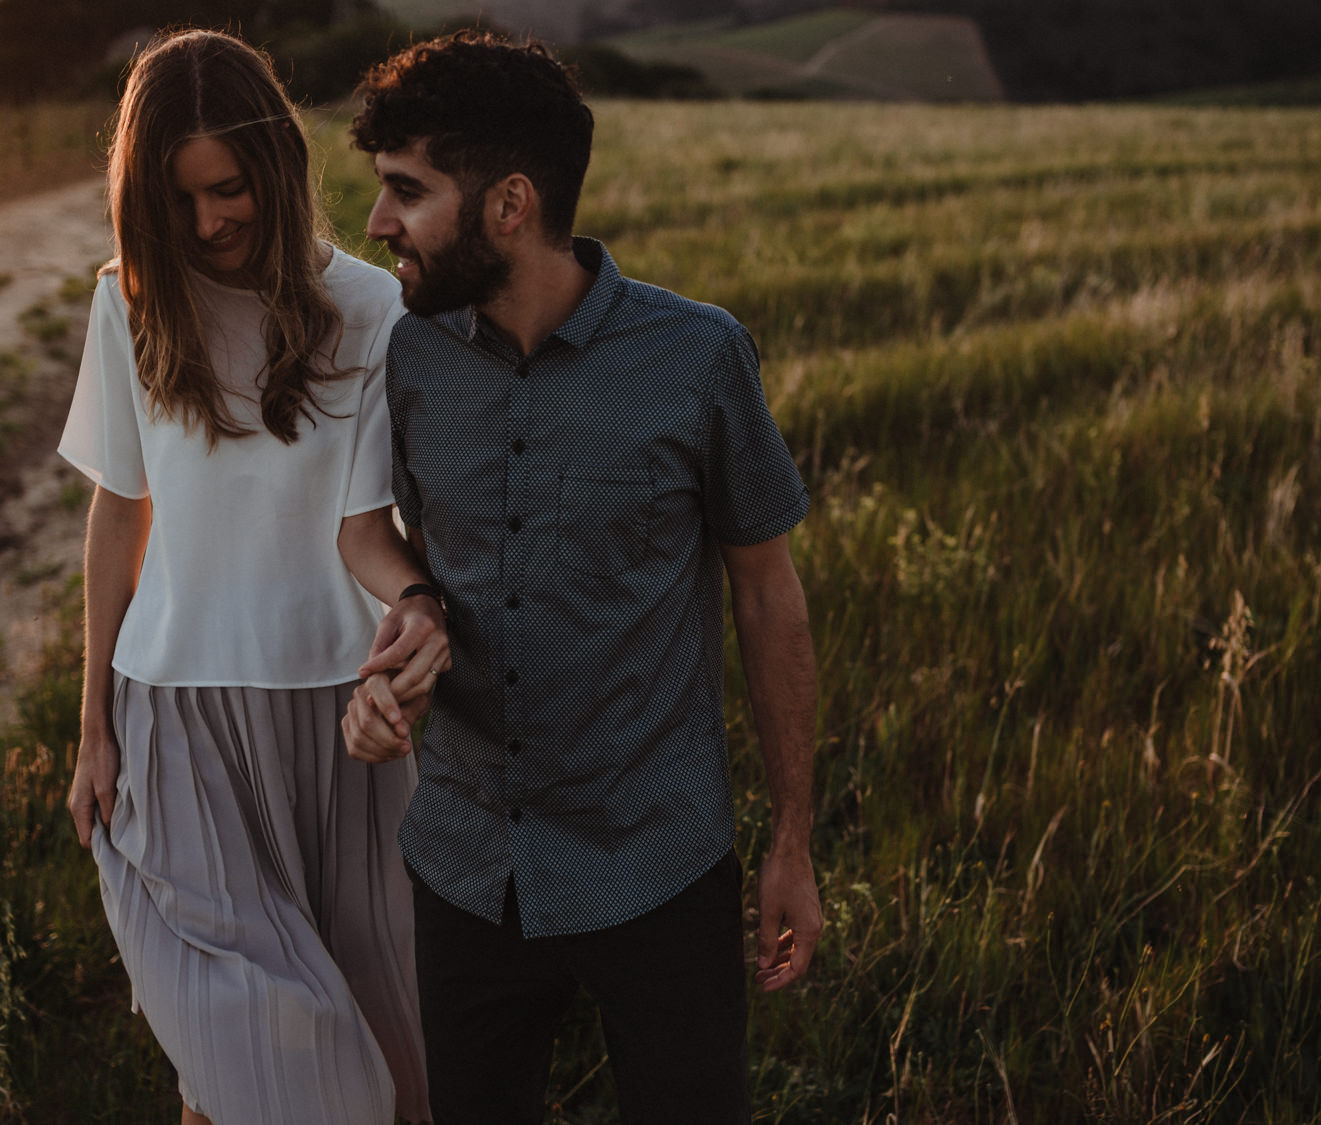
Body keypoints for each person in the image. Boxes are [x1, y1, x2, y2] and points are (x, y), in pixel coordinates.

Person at [341, 30, 822, 1124]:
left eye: (405, 193)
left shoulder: (698, 358)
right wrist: (409, 621)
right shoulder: (406, 356)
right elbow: (373, 534)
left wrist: (791, 843)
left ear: (509, 204)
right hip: (465, 863)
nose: (378, 225)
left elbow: (766, 592)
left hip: (656, 860)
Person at [59, 29, 445, 1125]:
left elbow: (375, 526)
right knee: (265, 1060)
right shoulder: (127, 303)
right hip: (176, 723)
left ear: (274, 166)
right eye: (175, 201)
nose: (206, 223)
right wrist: (95, 726)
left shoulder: (374, 312)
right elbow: (118, 513)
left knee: (390, 1066)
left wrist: (417, 628)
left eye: (226, 189)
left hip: (345, 736)